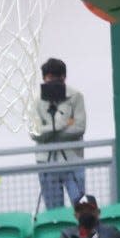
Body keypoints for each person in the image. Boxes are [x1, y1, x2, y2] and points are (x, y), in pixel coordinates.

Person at [29, 58, 87, 210]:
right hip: (46, 162)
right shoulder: (36, 100)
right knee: (54, 211)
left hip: (73, 160)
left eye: (57, 80)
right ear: (43, 79)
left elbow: (79, 127)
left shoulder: (76, 96)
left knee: (81, 207)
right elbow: (34, 132)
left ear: (64, 78)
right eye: (49, 80)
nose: (53, 85)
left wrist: (47, 131)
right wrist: (61, 125)